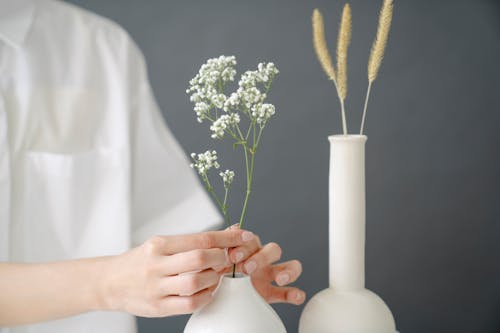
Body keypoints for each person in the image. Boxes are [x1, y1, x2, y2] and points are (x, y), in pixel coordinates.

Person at [0, 0, 304, 332]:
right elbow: (125, 276)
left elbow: (162, 227)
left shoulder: (101, 48)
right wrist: (109, 283)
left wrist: (222, 277)